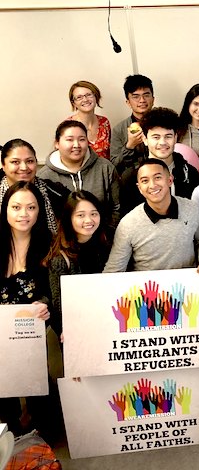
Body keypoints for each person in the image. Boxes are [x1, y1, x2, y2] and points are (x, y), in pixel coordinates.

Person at [0, 181, 54, 440]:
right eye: (17, 207)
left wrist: (44, 303)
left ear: (39, 211)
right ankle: (10, 429)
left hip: (31, 332)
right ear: (5, 209)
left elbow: (54, 291)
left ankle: (40, 431)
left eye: (31, 207)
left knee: (36, 385)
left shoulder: (49, 245)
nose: (24, 214)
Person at [103, 159, 199, 273]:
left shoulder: (192, 208)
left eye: (158, 178)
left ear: (170, 180)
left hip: (187, 286)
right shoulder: (128, 224)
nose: (152, 185)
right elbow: (114, 268)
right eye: (145, 181)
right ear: (139, 188)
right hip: (148, 288)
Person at [43, 190, 111, 340]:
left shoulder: (108, 246)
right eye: (80, 215)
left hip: (106, 325)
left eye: (94, 214)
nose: (89, 220)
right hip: (76, 333)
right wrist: (67, 330)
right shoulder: (60, 259)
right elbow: (58, 305)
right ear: (69, 218)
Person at [38, 120, 121, 229]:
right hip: (61, 241)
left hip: (102, 238)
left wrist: (105, 235)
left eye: (82, 139)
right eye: (70, 140)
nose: (76, 145)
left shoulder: (105, 168)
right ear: (57, 143)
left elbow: (117, 208)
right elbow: (44, 217)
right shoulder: (44, 176)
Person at [120, 107, 199, 215]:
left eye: (168, 136)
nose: (162, 142)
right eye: (156, 137)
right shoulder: (131, 176)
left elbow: (196, 214)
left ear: (176, 138)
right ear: (145, 139)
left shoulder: (190, 174)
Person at [1, 138, 67, 234]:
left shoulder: (55, 193)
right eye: (15, 162)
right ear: (3, 165)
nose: (24, 167)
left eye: (30, 161)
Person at [110, 74, 154, 183]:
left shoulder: (164, 122)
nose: (142, 100)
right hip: (132, 183)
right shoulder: (119, 129)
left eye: (146, 95)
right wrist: (129, 146)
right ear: (128, 102)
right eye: (136, 96)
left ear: (153, 99)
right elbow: (114, 166)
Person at [66, 80, 111, 160]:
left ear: (96, 97)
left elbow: (110, 153)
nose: (85, 100)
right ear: (74, 103)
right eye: (79, 97)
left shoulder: (104, 122)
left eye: (89, 95)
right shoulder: (68, 126)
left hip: (105, 170)